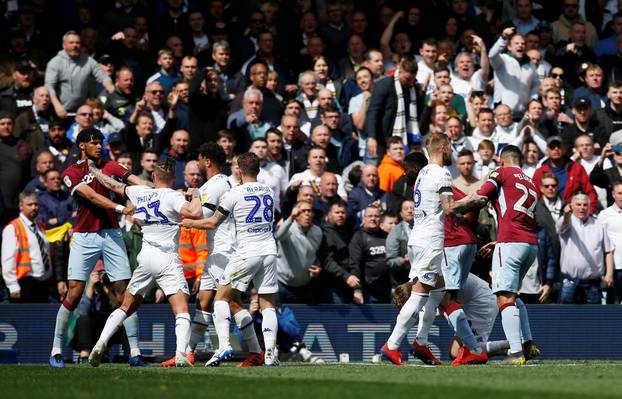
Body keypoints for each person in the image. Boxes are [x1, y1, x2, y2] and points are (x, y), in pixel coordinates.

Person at [88, 158, 202, 368]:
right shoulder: (174, 196)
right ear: (174, 177)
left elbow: (112, 185)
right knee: (182, 309)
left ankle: (100, 343)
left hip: (146, 256)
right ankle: (180, 354)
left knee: (126, 306)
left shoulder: (141, 192)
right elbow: (195, 212)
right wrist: (195, 194)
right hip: (167, 257)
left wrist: (93, 170)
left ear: (153, 176)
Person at [381, 133, 484, 366]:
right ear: (445, 148)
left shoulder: (423, 173)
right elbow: (449, 208)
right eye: (451, 149)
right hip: (430, 241)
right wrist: (472, 200)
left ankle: (421, 342)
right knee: (418, 296)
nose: (452, 153)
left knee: (438, 292)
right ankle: (393, 345)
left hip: (419, 238)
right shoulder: (441, 173)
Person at [49, 127, 146, 368]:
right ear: (81, 145)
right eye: (93, 142)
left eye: (100, 142)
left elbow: (133, 181)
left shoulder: (110, 166)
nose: (98, 145)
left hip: (111, 233)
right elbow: (90, 196)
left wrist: (154, 190)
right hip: (84, 236)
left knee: (125, 292)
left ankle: (134, 352)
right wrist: (121, 208)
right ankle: (56, 349)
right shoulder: (71, 172)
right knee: (74, 291)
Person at [182, 153, 280, 367]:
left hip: (246, 252)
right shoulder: (269, 190)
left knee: (221, 298)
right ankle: (270, 354)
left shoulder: (234, 193)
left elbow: (212, 223)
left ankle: (224, 345)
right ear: (258, 169)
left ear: (240, 170)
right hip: (269, 251)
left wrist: (187, 222)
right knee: (268, 305)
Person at [476, 145, 541, 365]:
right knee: (513, 296)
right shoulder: (530, 180)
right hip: (529, 244)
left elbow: (480, 194)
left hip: (511, 242)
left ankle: (515, 353)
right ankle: (527, 343)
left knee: (504, 298)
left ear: (502, 161)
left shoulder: (501, 172)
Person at [557, 193, 614, 304]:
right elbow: (563, 226)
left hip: (592, 284)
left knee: (593, 319)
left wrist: (609, 274)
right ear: (572, 206)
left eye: (585, 205)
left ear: (589, 206)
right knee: (566, 318)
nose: (582, 208)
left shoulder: (598, 225)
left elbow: (608, 250)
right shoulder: (566, 222)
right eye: (578, 204)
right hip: (569, 282)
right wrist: (566, 214)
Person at [45, 31, 114, 117]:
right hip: (61, 111)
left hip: (83, 112)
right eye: (71, 43)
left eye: (77, 43)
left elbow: (103, 77)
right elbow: (49, 86)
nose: (75, 45)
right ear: (64, 45)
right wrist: (57, 105)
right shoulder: (55, 62)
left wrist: (110, 87)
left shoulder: (88, 60)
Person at [1, 191, 53, 303]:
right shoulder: (13, 228)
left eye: (36, 204)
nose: (34, 207)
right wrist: (12, 285)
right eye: (30, 205)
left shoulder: (40, 227)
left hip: (42, 282)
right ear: (21, 206)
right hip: (24, 283)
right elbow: (8, 259)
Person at [276, 200, 323, 303]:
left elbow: (315, 254)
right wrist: (291, 218)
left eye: (309, 211)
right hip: (282, 285)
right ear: (296, 214)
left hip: (305, 286)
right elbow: (278, 236)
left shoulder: (318, 231)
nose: (307, 214)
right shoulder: (288, 229)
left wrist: (316, 266)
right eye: (302, 211)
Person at [488, 27, 538, 117]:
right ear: (509, 47)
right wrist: (503, 38)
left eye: (523, 44)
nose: (520, 46)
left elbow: (535, 85)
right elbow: (491, 55)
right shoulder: (502, 60)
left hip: (522, 114)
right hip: (503, 113)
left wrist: (532, 100)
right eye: (516, 43)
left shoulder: (531, 64)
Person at [348, 205, 389, 304]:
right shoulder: (358, 237)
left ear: (380, 219)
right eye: (370, 216)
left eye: (376, 216)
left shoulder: (387, 236)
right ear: (364, 218)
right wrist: (357, 290)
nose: (373, 219)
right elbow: (355, 264)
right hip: (368, 292)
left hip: (387, 290)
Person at [319, 200, 357, 304]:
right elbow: (328, 261)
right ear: (329, 215)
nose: (340, 215)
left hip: (347, 284)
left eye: (343, 212)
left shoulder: (346, 231)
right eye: (337, 212)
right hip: (333, 286)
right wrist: (346, 276)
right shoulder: (325, 234)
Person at [597, 181, 622, 303]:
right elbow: (599, 242)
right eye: (620, 193)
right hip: (615, 268)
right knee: (614, 305)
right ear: (613, 194)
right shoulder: (604, 215)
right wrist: (607, 272)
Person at [590, 133, 622, 206]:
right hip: (614, 212)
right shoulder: (609, 173)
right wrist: (602, 157)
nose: (621, 155)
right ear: (613, 155)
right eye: (617, 153)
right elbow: (594, 179)